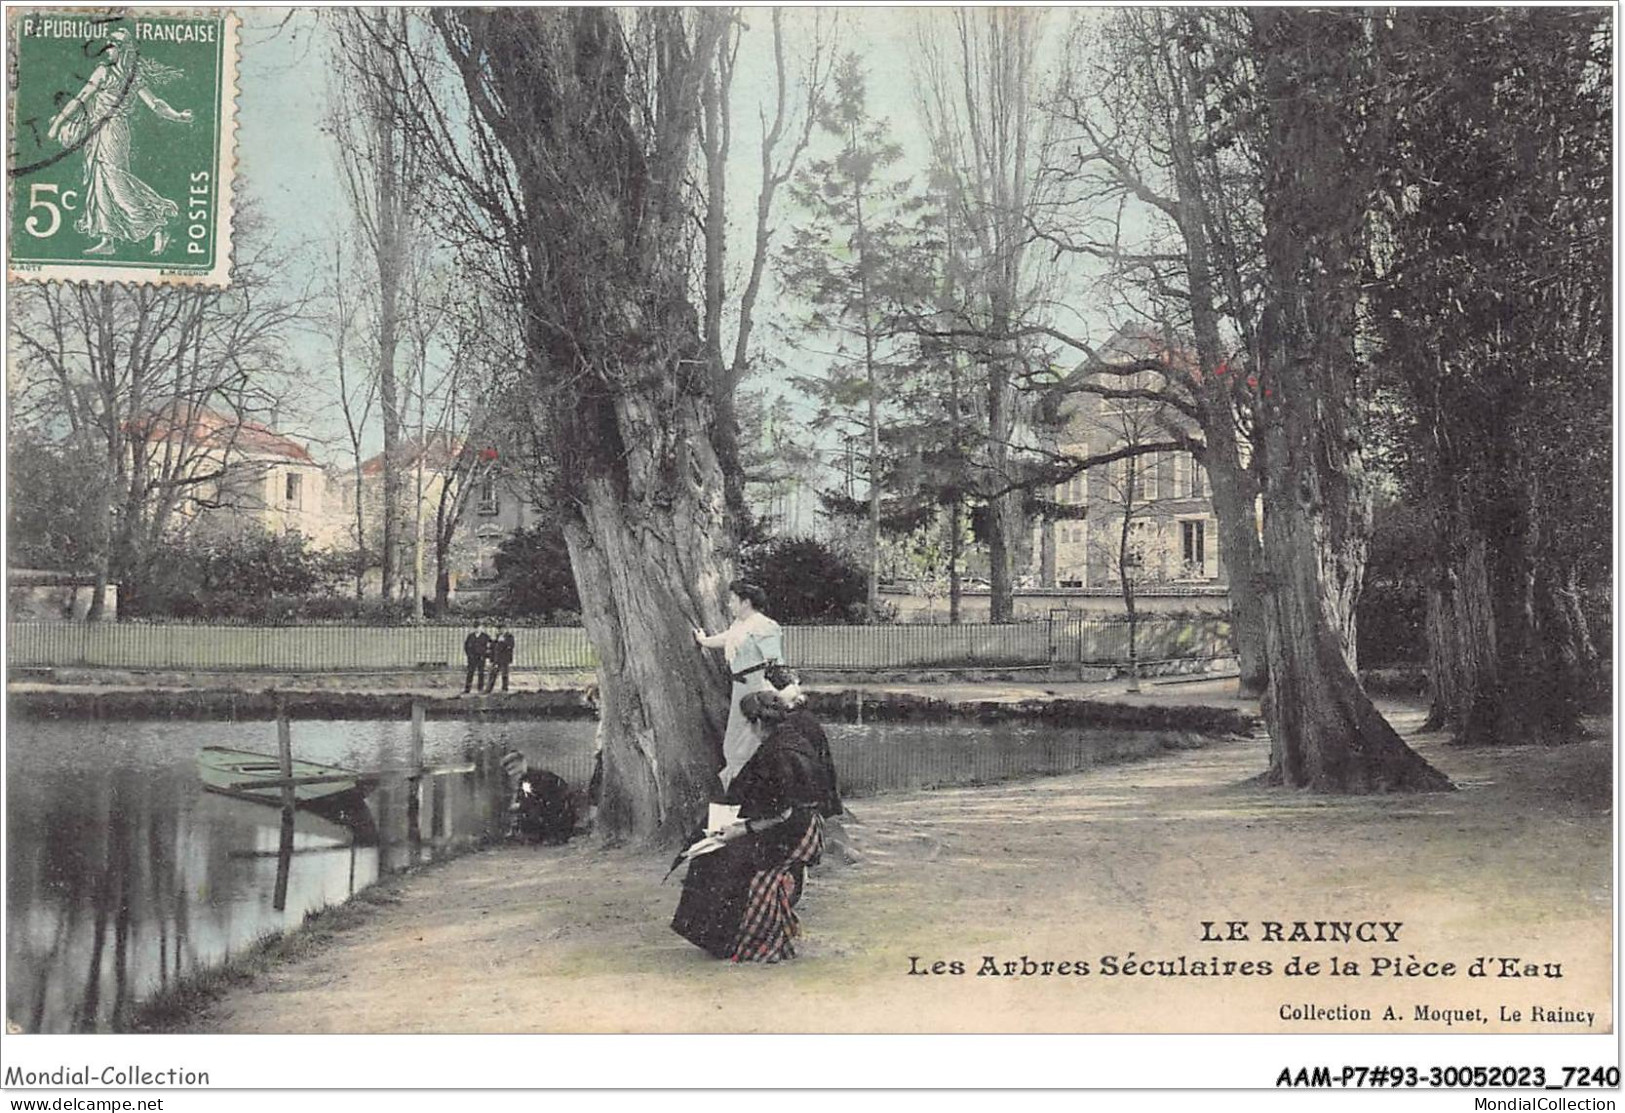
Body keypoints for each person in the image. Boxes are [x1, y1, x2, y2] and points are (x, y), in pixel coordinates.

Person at [671, 689, 841, 962]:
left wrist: (739, 829)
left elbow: (782, 811)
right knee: (713, 856)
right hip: (798, 824)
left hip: (796, 831)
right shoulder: (790, 738)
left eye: (749, 724)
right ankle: (722, 936)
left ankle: (732, 940)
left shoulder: (778, 753)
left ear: (758, 723)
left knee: (723, 859)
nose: (749, 729)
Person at [46, 26, 192, 256]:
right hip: (99, 131)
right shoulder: (110, 72)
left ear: (123, 50)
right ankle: (108, 239)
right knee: (99, 181)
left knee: (115, 181)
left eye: (112, 46)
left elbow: (155, 104)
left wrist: (178, 116)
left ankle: (157, 226)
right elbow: (81, 99)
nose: (108, 50)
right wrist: (58, 124)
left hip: (113, 131)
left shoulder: (123, 75)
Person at [693, 580, 783, 790]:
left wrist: (780, 692)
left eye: (733, 600)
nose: (729, 604)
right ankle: (737, 794)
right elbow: (727, 639)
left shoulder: (764, 626)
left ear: (746, 602)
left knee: (748, 743)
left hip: (757, 689)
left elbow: (775, 662)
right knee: (734, 745)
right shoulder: (740, 626)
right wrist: (704, 641)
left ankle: (746, 796)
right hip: (741, 688)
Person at [462, 622, 491, 694]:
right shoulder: (470, 636)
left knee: (481, 673)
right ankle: (467, 689)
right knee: (470, 673)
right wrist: (469, 655)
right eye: (476, 627)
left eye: (479, 627)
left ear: (482, 628)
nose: (477, 629)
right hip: (472, 658)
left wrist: (485, 655)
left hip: (481, 657)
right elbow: (466, 646)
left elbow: (490, 646)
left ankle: (480, 688)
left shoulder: (485, 637)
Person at [486, 625, 515, 692]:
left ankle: (504, 689)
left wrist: (502, 642)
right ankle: (489, 689)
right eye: (499, 629)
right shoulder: (497, 637)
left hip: (505, 659)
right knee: (493, 674)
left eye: (502, 629)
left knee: (504, 674)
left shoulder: (509, 637)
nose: (500, 630)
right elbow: (494, 647)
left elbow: (510, 646)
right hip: (497, 659)